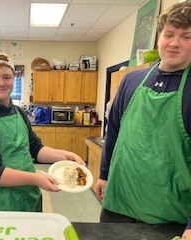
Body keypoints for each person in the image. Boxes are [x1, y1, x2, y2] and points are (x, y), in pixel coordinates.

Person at [95, 1, 191, 239]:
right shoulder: (131, 80)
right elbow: (114, 131)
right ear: (159, 36)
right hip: (118, 203)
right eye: (168, 34)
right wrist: (104, 174)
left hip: (169, 213)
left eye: (186, 36)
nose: (174, 43)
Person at [0, 52, 84, 211]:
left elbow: (36, 149)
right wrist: (35, 179)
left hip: (27, 197)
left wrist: (65, 155)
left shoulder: (18, 112)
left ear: (14, 79)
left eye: (7, 77)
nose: (1, 83)